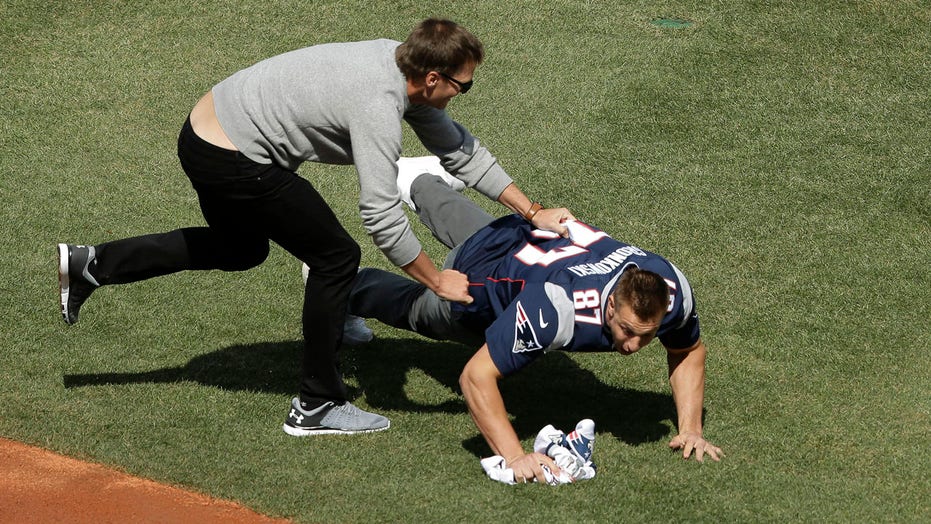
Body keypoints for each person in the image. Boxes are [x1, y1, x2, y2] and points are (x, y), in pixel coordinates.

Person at [56, 18, 573, 437]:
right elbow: (380, 213)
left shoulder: (403, 64)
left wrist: (531, 212)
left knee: (240, 248)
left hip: (207, 131)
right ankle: (317, 404)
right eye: (465, 84)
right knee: (336, 257)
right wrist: (436, 281)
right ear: (432, 78)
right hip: (235, 157)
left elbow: (460, 149)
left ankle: (91, 264)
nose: (466, 92)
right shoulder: (377, 104)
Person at [348, 158, 724, 483]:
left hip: (525, 236)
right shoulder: (558, 308)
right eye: (627, 331)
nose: (632, 346)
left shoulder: (671, 289)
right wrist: (514, 457)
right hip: (479, 281)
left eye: (646, 336)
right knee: (426, 313)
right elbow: (475, 377)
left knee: (482, 232)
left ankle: (418, 180)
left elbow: (687, 349)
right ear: (610, 306)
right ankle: (345, 286)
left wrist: (691, 430)